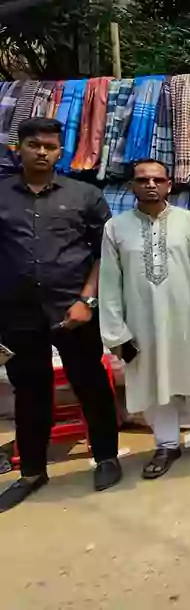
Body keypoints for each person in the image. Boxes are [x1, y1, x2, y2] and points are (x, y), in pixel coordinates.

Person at [0, 117, 121, 513]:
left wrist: (87, 301)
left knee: (91, 385)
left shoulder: (85, 195)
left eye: (50, 146)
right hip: (17, 315)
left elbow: (105, 254)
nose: (42, 152)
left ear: (60, 151)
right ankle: (32, 472)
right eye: (34, 144)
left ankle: (106, 457)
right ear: (18, 148)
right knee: (29, 392)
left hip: (74, 311)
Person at [98, 159, 190, 478]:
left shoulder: (189, 221)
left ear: (169, 185)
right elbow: (109, 283)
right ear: (132, 186)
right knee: (153, 386)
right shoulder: (115, 228)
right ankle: (166, 444)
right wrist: (116, 333)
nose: (150, 185)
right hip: (140, 325)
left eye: (157, 180)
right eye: (143, 180)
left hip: (188, 321)